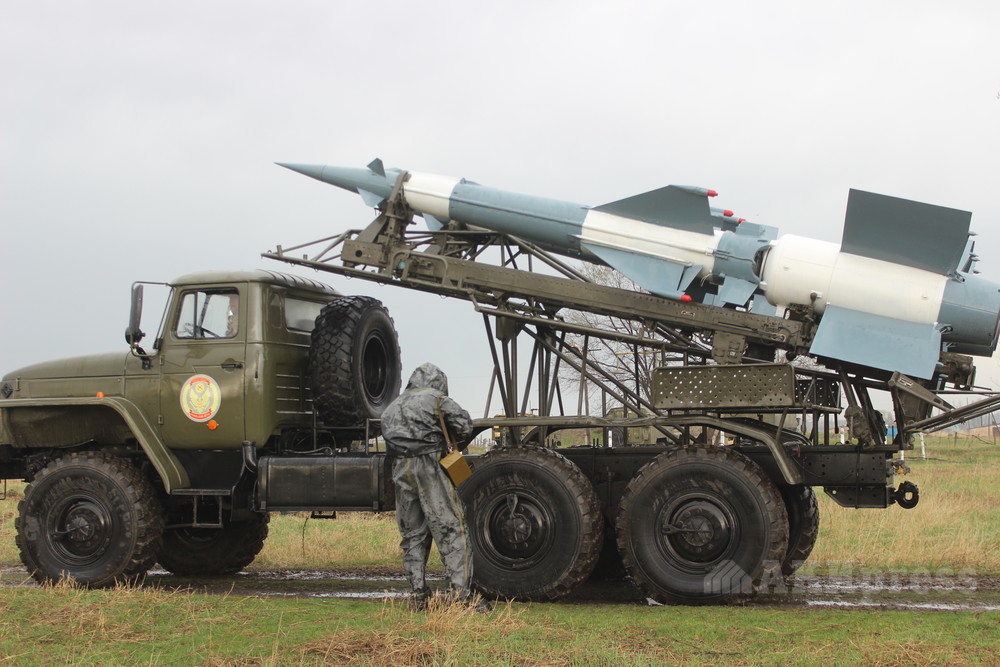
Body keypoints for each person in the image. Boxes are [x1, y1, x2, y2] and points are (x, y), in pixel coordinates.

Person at [380, 362, 487, 612]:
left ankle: (418, 595)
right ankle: (460, 596)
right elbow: (465, 426)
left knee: (412, 534)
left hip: (401, 468)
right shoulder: (438, 400)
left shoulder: (393, 406)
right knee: (452, 529)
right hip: (431, 467)